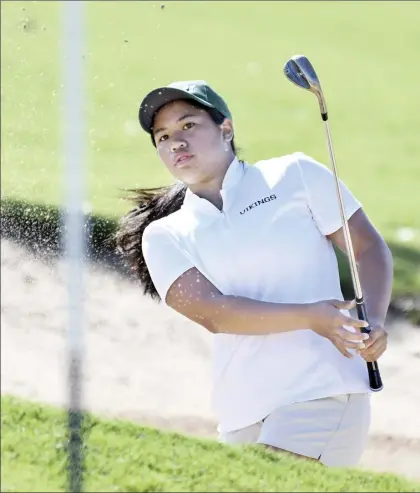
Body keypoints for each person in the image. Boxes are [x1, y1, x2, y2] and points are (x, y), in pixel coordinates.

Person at [115, 80, 393, 467]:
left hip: (322, 391)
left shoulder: (295, 175)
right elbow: (214, 313)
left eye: (188, 126)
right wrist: (311, 317)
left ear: (226, 129)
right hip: (242, 410)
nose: (175, 142)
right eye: (162, 136)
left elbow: (367, 248)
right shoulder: (164, 235)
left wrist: (374, 319)